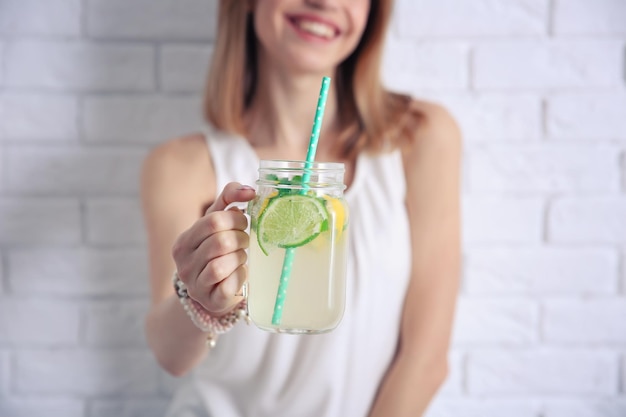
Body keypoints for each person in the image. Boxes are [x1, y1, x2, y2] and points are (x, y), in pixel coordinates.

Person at [140, 0, 461, 416]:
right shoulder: (179, 166)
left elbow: (426, 360)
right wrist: (200, 301)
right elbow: (171, 356)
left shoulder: (421, 137)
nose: (325, 2)